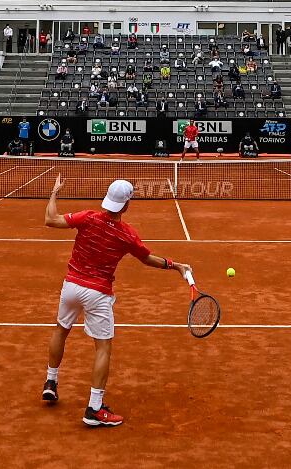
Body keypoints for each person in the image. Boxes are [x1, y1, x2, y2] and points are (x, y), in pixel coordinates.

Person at [41, 176, 191, 427]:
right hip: (97, 293)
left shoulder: (88, 217)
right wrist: (176, 266)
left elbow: (50, 219)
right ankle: (94, 408)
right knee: (103, 348)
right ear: (126, 205)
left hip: (71, 287)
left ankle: (50, 382)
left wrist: (54, 193)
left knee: (61, 330)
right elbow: (148, 259)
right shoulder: (127, 235)